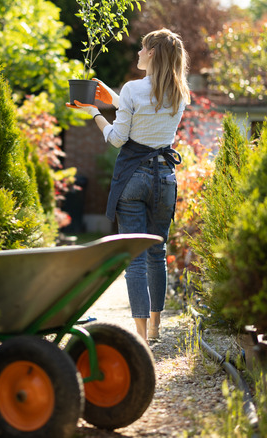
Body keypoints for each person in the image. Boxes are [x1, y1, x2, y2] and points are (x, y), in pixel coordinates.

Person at [67, 28, 191, 342]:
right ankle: (155, 329)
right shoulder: (179, 92)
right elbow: (146, 112)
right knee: (156, 253)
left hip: (133, 179)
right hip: (164, 178)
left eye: (142, 49)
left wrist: (95, 111)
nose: (137, 53)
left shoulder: (134, 89)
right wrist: (113, 97)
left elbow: (118, 138)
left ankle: (138, 335)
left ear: (152, 54)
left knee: (135, 257)